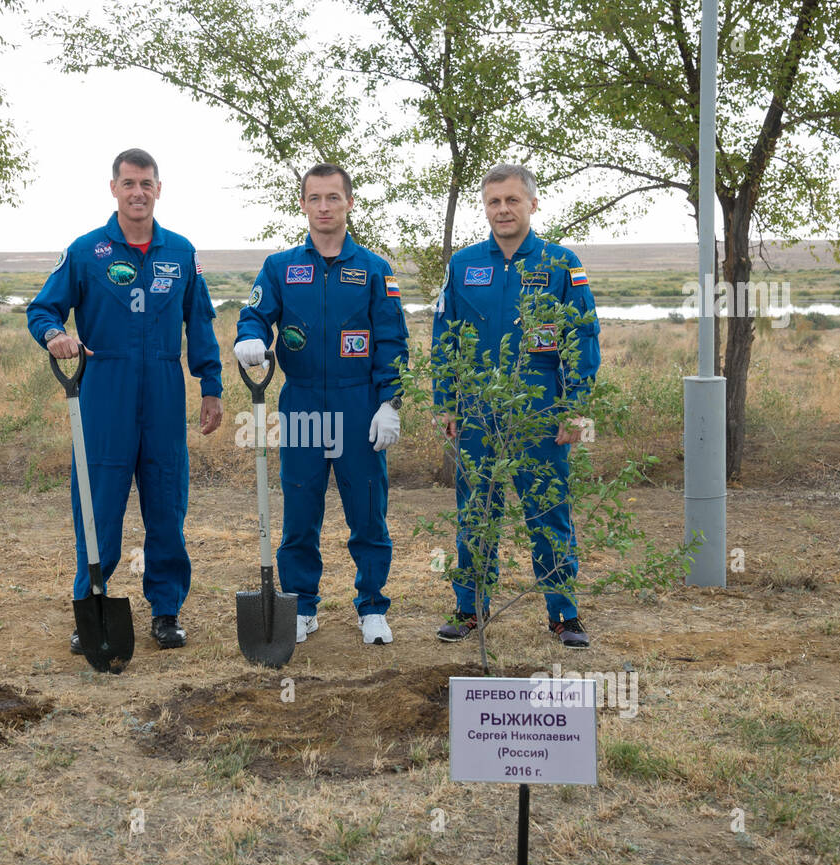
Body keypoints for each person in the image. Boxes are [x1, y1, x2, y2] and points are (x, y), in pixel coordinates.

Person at [27, 148, 223, 654]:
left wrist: (211, 386)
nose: (138, 192)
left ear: (160, 189)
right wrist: (54, 335)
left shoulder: (181, 252)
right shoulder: (87, 251)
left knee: (166, 504)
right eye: (129, 183)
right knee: (97, 507)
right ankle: (91, 606)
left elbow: (198, 324)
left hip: (162, 390)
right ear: (113, 188)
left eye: (147, 183)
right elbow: (43, 308)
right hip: (103, 391)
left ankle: (166, 612)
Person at [234, 163, 408, 645]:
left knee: (367, 513)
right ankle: (302, 605)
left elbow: (393, 341)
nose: (325, 207)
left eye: (334, 197)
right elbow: (255, 314)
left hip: (359, 406)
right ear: (304, 204)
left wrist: (390, 402)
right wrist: (249, 339)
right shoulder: (281, 267)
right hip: (303, 403)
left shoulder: (374, 270)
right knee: (300, 512)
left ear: (349, 202)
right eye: (315, 198)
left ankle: (372, 606)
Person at [431, 163, 601, 648]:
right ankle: (470, 608)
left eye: (512, 200)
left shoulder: (560, 263)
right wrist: (447, 400)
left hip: (539, 414)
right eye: (493, 202)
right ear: (484, 208)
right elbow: (445, 336)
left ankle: (564, 615)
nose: (502, 210)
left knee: (547, 510)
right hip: (478, 412)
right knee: (476, 511)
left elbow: (583, 337)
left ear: (532, 203)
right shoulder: (464, 265)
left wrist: (576, 408)